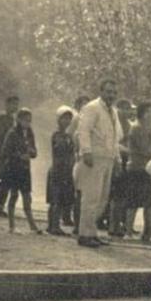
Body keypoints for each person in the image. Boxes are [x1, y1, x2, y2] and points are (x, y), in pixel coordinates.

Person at [75, 79, 122, 248]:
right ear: (101, 91)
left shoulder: (113, 111)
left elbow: (115, 137)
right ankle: (84, 234)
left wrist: (117, 159)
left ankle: (92, 232)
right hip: (93, 158)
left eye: (114, 92)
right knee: (91, 197)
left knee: (103, 198)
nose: (111, 95)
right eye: (108, 91)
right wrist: (86, 151)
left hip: (108, 158)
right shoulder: (92, 107)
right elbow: (83, 130)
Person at [0, 108, 42, 234]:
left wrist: (32, 153)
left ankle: (32, 226)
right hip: (13, 168)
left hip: (25, 168)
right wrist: (19, 156)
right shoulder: (12, 133)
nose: (27, 123)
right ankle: (12, 226)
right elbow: (4, 151)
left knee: (27, 196)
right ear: (18, 120)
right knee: (14, 195)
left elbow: (34, 151)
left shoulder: (29, 132)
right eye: (25, 120)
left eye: (29, 121)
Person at [121, 102, 151, 241]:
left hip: (146, 168)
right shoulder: (136, 128)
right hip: (136, 168)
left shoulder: (150, 129)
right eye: (147, 111)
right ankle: (128, 232)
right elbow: (145, 149)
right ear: (141, 113)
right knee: (133, 202)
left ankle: (148, 233)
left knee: (149, 202)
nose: (150, 114)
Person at [46, 106, 76, 236]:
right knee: (55, 200)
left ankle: (55, 225)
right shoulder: (57, 135)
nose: (67, 121)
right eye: (64, 118)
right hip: (58, 169)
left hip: (67, 170)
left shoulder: (68, 135)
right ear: (58, 119)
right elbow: (60, 151)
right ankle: (53, 226)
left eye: (69, 118)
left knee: (63, 199)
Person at [63, 94, 90, 230]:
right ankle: (69, 218)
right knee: (73, 189)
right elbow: (69, 135)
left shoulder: (90, 119)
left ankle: (80, 223)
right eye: (82, 104)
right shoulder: (76, 118)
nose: (85, 107)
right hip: (75, 156)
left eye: (87, 104)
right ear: (78, 106)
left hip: (86, 157)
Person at [0, 95, 20, 216]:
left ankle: (0, 205)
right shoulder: (2, 118)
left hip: (9, 153)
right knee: (2, 177)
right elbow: (0, 135)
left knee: (7, 178)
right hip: (2, 152)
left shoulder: (13, 119)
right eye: (13, 104)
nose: (15, 107)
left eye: (16, 104)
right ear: (7, 104)